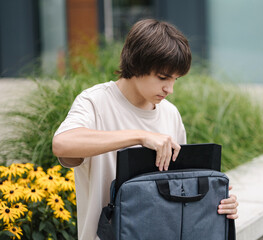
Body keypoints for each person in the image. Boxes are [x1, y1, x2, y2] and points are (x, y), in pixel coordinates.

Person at [52, 19, 238, 240]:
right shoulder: (95, 102)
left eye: (176, 79)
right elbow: (63, 143)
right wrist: (140, 136)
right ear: (137, 63)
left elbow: (177, 192)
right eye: (163, 78)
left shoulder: (170, 114)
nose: (170, 89)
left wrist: (219, 203)